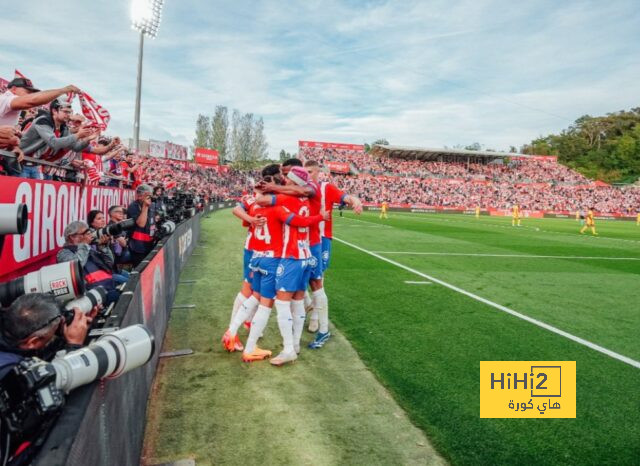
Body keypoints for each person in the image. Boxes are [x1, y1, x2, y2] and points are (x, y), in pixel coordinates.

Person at [304, 160, 362, 343]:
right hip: (303, 237)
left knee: (319, 277)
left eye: (311, 171)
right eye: (305, 171)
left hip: (322, 238)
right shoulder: (300, 189)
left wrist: (356, 200)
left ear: (318, 172)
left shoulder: (326, 188)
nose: (308, 175)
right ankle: (309, 306)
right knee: (301, 277)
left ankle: (315, 318)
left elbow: (345, 197)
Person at [0, 293, 93, 378]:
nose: (57, 332)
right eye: (54, 331)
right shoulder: (11, 372)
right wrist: (74, 345)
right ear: (33, 342)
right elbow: (55, 385)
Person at [19, 96, 97, 180]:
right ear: (54, 111)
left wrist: (88, 139)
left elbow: (76, 147)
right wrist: (77, 135)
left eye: (70, 112)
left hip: (35, 165)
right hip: (21, 162)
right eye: (65, 112)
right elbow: (54, 143)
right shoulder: (43, 121)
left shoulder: (63, 127)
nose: (68, 115)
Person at [56, 221, 120, 305]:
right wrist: (84, 245)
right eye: (85, 233)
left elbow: (110, 263)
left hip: (108, 283)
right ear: (72, 237)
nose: (89, 235)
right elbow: (76, 266)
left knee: (132, 284)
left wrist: (103, 247)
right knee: (124, 294)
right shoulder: (63, 253)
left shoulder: (87, 248)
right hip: (92, 293)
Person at [0, 77, 80, 127]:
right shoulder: (5, 99)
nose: (30, 95)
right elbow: (32, 101)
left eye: (32, 93)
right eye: (28, 92)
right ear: (14, 89)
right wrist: (63, 90)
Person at [87, 209, 129, 285]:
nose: (103, 220)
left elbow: (118, 252)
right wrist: (102, 246)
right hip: (102, 272)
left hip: (112, 268)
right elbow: (98, 261)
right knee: (129, 282)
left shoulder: (106, 232)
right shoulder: (90, 238)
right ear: (92, 223)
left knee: (133, 277)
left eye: (103, 218)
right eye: (99, 219)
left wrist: (114, 239)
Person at [127, 184, 157, 267]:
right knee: (140, 270)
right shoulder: (133, 206)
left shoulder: (152, 205)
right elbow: (141, 224)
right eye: (148, 196)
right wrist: (145, 207)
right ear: (140, 196)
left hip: (150, 243)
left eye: (150, 195)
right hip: (138, 246)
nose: (150, 198)